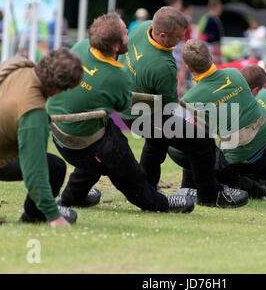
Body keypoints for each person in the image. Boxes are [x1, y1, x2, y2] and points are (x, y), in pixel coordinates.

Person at [47, 12, 194, 214]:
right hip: (79, 143)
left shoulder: (81, 47)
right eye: (126, 33)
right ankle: (156, 203)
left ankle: (73, 197)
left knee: (100, 144)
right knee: (124, 165)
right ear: (116, 46)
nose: (130, 35)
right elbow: (125, 105)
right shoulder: (117, 76)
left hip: (58, 133)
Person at [118, 6, 248, 208]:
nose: (182, 41)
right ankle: (209, 194)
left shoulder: (142, 28)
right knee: (202, 142)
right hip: (142, 115)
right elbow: (170, 106)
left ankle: (145, 191)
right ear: (162, 35)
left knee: (155, 144)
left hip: (127, 105)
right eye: (178, 37)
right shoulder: (163, 65)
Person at [180, 38, 266, 209]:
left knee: (193, 147)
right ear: (211, 56)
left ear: (189, 68)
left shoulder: (190, 98)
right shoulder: (234, 73)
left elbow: (203, 133)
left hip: (239, 159)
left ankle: (195, 190)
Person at [0, 47, 83, 227]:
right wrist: (53, 215)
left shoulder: (13, 64)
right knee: (55, 168)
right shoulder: (33, 113)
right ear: (59, 89)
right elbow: (35, 172)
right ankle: (34, 216)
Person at [197, 0, 224, 65]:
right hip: (210, 45)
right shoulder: (207, 18)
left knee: (218, 65)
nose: (221, 9)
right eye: (219, 7)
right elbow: (199, 31)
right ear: (215, 7)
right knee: (211, 64)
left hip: (216, 44)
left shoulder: (216, 18)